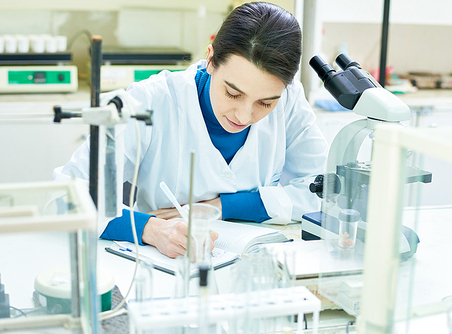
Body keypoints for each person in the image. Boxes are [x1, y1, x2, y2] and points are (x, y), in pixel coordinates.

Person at [54, 2, 328, 259]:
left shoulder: (290, 100)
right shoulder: (154, 99)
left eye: (265, 103)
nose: (245, 116)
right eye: (233, 94)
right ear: (210, 59)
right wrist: (152, 230)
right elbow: (65, 194)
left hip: (254, 263)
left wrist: (221, 207)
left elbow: (324, 189)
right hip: (162, 265)